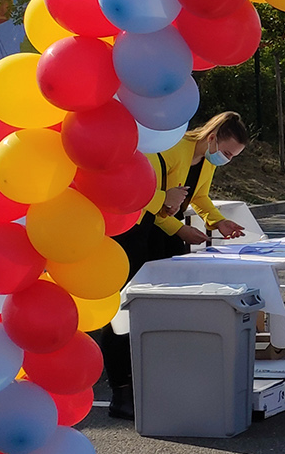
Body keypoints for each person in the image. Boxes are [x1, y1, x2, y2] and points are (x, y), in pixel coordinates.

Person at [95, 111, 249, 419]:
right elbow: (136, 191)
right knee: (124, 311)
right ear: (212, 138)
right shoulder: (168, 147)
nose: (227, 160)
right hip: (132, 231)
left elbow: (199, 197)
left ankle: (152, 383)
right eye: (228, 152)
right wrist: (167, 200)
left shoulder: (205, 161)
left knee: (159, 309)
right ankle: (121, 391)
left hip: (160, 233)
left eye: (233, 157)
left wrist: (217, 222)